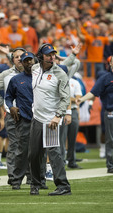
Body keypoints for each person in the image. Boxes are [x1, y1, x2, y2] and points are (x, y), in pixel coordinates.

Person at [29, 43, 71, 196]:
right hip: (37, 118)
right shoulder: (34, 69)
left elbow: (65, 98)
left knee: (54, 154)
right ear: (40, 56)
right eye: (48, 55)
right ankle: (36, 183)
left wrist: (58, 116)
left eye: (53, 54)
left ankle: (63, 185)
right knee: (33, 154)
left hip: (51, 121)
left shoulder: (60, 73)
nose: (52, 57)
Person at [0, 47, 26, 185]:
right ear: (12, 60)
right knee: (14, 145)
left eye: (21, 56)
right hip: (12, 114)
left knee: (31, 145)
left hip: (31, 114)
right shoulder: (6, 74)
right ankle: (13, 177)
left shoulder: (35, 72)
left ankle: (32, 176)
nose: (19, 59)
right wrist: (4, 105)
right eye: (16, 57)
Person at [5, 52, 35, 190]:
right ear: (21, 63)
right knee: (22, 151)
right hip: (24, 119)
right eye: (26, 61)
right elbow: (8, 97)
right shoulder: (16, 79)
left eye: (31, 60)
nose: (29, 63)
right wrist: (11, 107)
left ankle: (36, 179)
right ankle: (16, 180)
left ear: (35, 61)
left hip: (40, 118)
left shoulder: (42, 77)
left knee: (39, 151)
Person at [61, 77, 82, 169]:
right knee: (62, 138)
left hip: (73, 110)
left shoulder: (74, 82)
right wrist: (71, 98)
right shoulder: (59, 79)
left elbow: (78, 98)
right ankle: (61, 162)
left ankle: (72, 161)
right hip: (62, 111)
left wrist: (68, 97)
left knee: (72, 138)